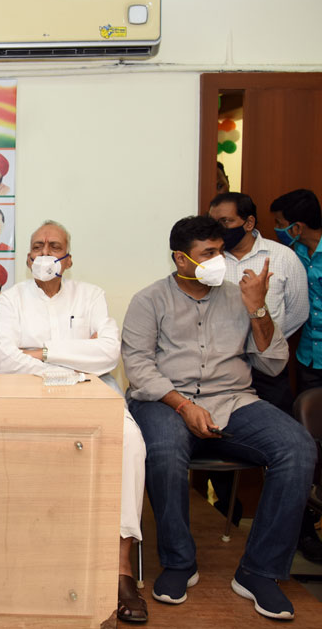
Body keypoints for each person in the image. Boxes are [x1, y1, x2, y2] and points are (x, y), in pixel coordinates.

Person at [122, 215, 313, 621]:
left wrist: (258, 308)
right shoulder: (149, 300)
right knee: (164, 450)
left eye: (221, 251)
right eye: (208, 253)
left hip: (232, 400)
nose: (219, 261)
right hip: (165, 400)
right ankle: (179, 562)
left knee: (298, 448)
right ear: (181, 258)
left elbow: (274, 363)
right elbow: (138, 368)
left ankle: (259, 571)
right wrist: (183, 405)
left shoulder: (239, 297)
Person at [0, 220, 148, 623]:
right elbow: (5, 361)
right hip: (29, 395)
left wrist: (43, 352)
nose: (45, 252)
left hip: (91, 390)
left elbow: (108, 354)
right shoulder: (10, 300)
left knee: (131, 443)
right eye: (37, 246)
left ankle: (121, 568)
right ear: (28, 258)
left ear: (69, 258)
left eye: (54, 246)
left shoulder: (91, 295)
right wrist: (76, 360)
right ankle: (34, 557)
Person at [208, 192, 308, 413]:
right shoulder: (209, 260)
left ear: (249, 223)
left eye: (225, 221)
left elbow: (298, 312)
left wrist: (266, 340)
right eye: (213, 222)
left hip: (268, 366)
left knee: (277, 425)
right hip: (222, 366)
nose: (217, 229)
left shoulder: (283, 257)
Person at [270, 188, 322, 393]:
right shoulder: (293, 254)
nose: (276, 229)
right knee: (308, 409)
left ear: (297, 227)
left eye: (280, 224)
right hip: (308, 357)